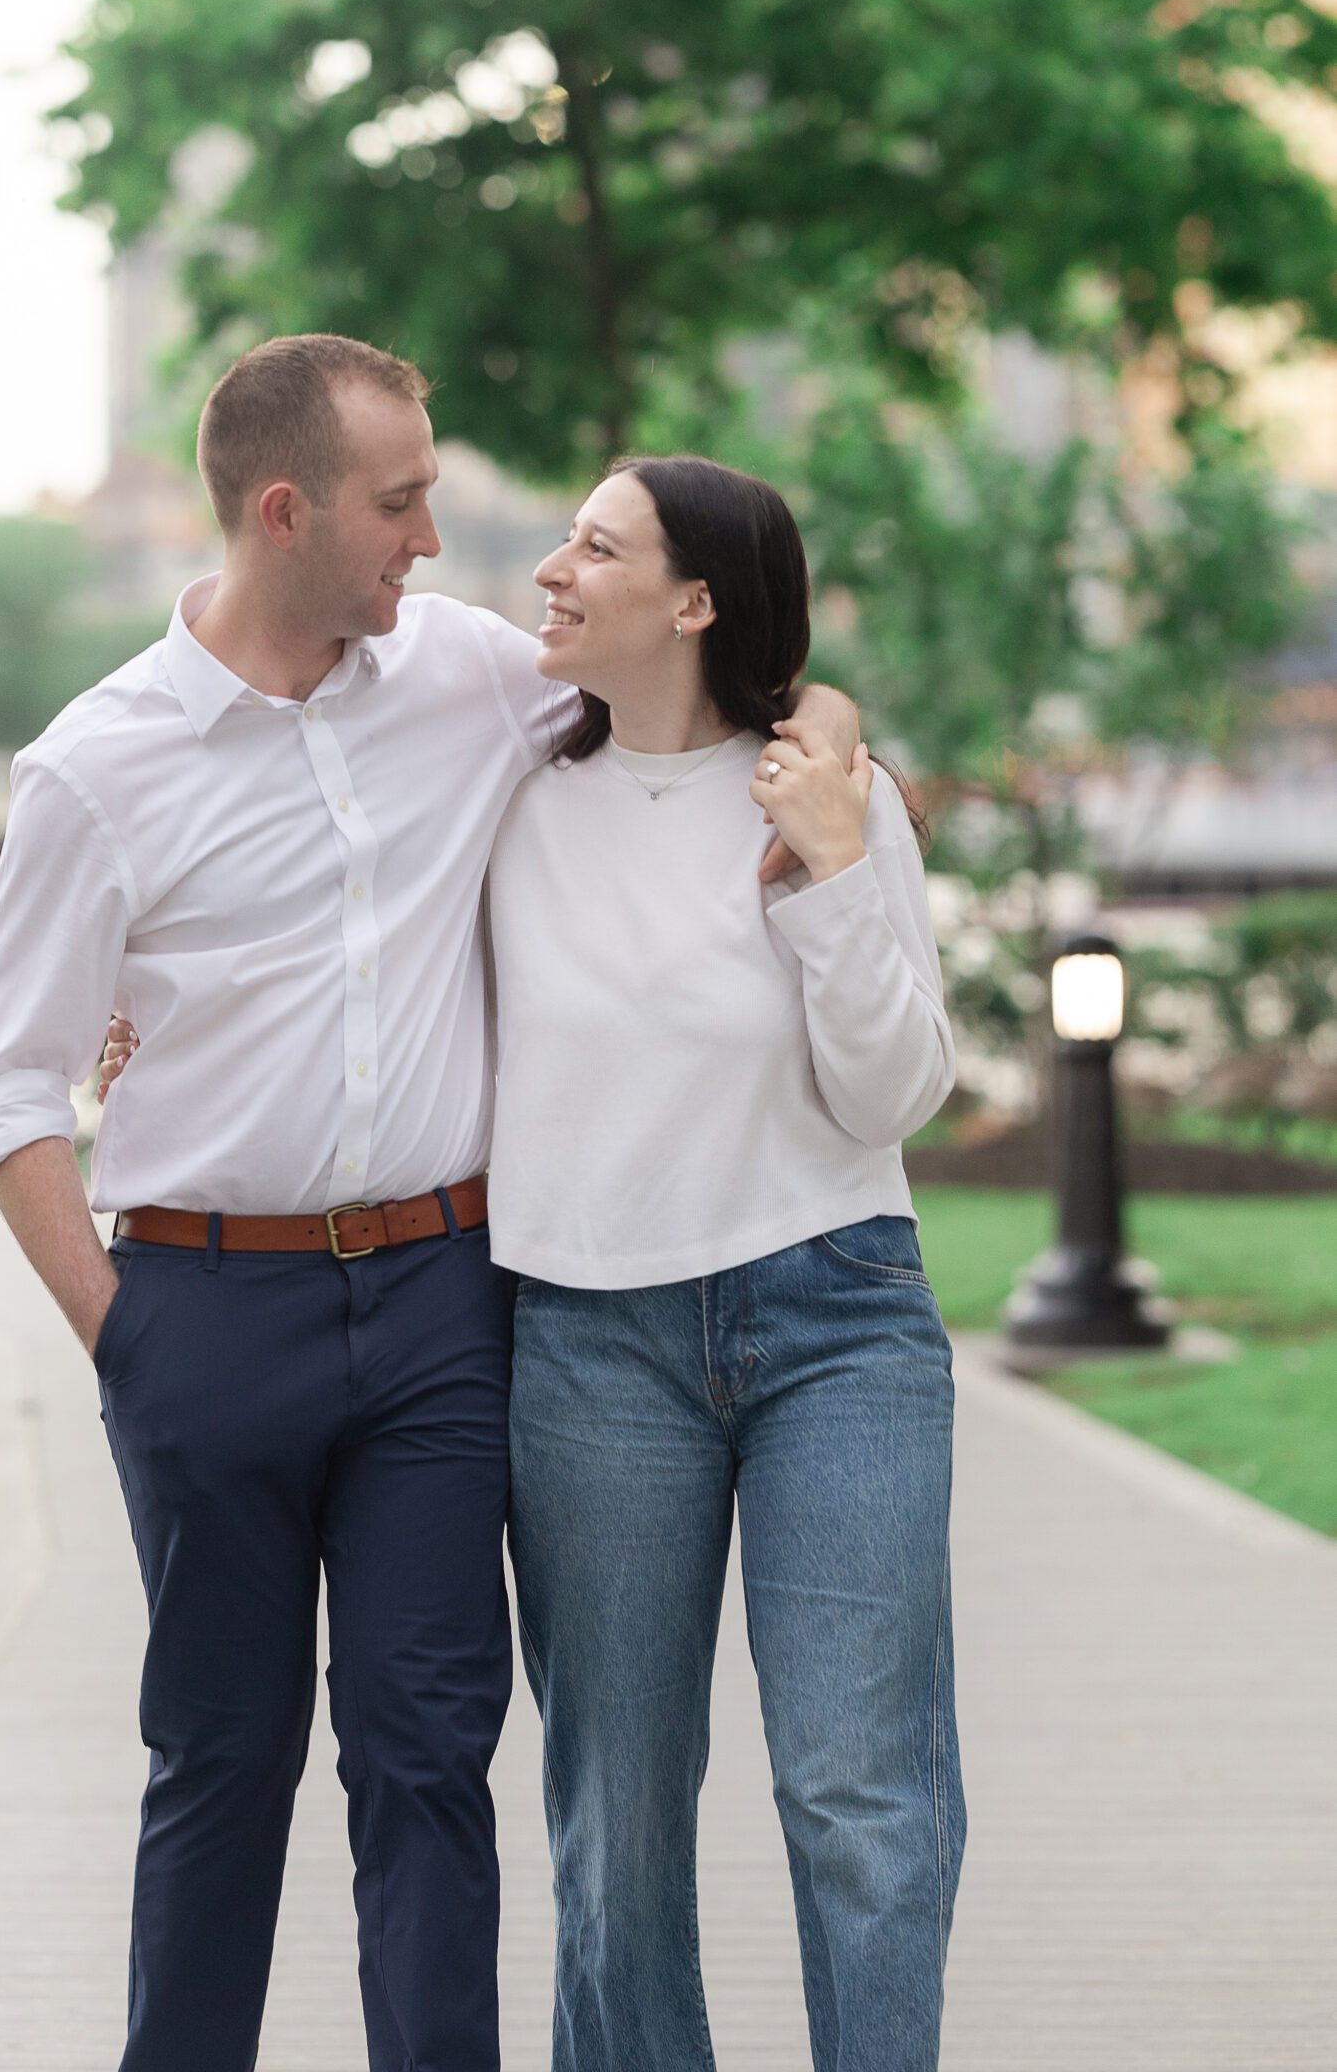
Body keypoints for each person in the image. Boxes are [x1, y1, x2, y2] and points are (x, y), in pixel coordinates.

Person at [0, 333, 859, 2072]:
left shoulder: (466, 677)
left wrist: (825, 724)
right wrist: (125, 1337)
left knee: (431, 1753)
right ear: (284, 512)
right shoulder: (96, 767)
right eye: (402, 502)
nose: (435, 538)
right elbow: (10, 1092)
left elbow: (717, 682)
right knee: (219, 1759)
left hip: (447, 1305)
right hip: (207, 1313)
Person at [488, 455, 962, 2072]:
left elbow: (896, 1094)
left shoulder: (829, 795)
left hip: (837, 1319)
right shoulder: (509, 784)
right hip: (588, 1341)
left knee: (861, 1796)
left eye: (596, 547)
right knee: (614, 1814)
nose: (554, 569)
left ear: (695, 601)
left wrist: (833, 864)